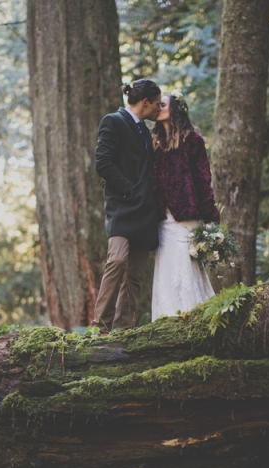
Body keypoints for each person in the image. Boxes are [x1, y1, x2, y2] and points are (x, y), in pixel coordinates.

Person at [91, 79, 162, 333]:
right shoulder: (113, 121)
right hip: (122, 207)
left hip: (145, 212)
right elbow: (103, 163)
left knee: (135, 275)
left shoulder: (145, 130)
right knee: (117, 260)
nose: (159, 108)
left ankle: (123, 331)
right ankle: (100, 326)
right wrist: (130, 189)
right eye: (156, 104)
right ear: (145, 102)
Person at [151, 91, 220, 321]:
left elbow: (203, 179)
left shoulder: (193, 140)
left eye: (162, 104)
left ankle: (196, 319)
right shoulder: (155, 144)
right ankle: (166, 320)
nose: (157, 107)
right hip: (163, 221)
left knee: (186, 271)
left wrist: (210, 214)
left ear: (174, 110)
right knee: (167, 271)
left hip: (186, 217)